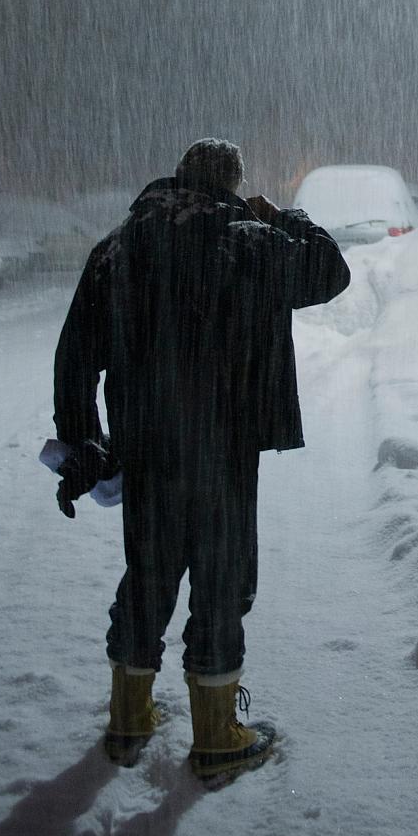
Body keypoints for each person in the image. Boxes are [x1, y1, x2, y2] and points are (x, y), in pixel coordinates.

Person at [52, 138, 349, 780]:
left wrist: (82, 441)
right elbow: (331, 271)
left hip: (148, 447)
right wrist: (281, 217)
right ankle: (217, 735)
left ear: (179, 176)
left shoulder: (122, 247)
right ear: (233, 184)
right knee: (220, 582)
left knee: (148, 574)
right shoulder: (248, 240)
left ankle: (129, 721)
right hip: (225, 448)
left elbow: (75, 352)